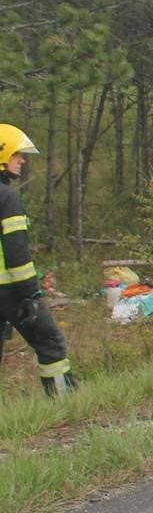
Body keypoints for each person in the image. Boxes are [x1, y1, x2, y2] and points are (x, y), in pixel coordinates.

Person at [0, 125, 75, 396]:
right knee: (50, 344)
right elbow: (16, 253)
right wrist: (31, 294)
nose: (22, 160)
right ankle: (65, 406)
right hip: (11, 291)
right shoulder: (6, 197)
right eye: (17, 154)